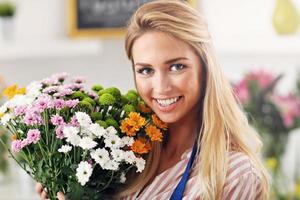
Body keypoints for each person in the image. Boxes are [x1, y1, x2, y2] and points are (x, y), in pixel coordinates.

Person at [36, 0, 269, 199]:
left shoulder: (234, 173)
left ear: (205, 67)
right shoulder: (123, 154)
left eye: (177, 67)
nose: (161, 87)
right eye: (146, 70)